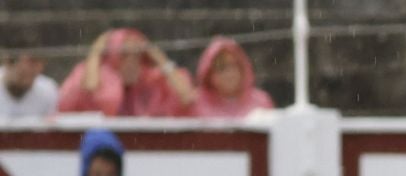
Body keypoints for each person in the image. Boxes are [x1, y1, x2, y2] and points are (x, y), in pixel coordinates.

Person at [57, 29, 194, 118]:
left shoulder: (148, 79)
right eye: (124, 55)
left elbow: (186, 96)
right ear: (112, 56)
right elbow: (91, 87)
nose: (132, 63)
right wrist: (96, 51)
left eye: (137, 55)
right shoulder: (91, 72)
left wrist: (159, 58)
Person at [190, 37, 272, 119]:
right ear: (209, 73)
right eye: (222, 68)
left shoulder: (260, 102)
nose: (229, 73)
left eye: (234, 65)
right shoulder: (196, 103)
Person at [1, 51, 59, 121]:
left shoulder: (49, 89)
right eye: (31, 61)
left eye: (39, 62)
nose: (35, 68)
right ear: (8, 62)